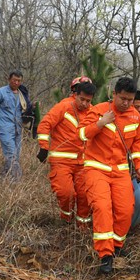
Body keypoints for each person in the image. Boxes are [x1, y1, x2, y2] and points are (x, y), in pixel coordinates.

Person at [78, 77, 140, 274]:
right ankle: (105, 255)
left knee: (125, 211)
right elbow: (82, 134)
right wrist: (101, 123)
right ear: (114, 94)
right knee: (101, 207)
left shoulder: (135, 117)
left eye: (130, 100)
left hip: (120, 170)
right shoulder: (98, 110)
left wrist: (139, 165)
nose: (126, 103)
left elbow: (136, 145)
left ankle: (116, 247)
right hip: (96, 168)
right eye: (123, 98)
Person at [36, 80, 96, 229]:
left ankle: (82, 229)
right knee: (65, 193)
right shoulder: (63, 106)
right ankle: (66, 221)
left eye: (88, 101)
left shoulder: (93, 111)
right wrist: (44, 147)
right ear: (75, 94)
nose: (84, 103)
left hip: (84, 163)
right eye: (82, 99)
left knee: (84, 196)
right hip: (61, 160)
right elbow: (45, 124)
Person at [0, 70, 33, 181]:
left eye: (19, 81)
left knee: (15, 154)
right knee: (11, 153)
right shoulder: (0, 92)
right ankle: (15, 180)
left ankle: (5, 175)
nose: (16, 83)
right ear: (9, 79)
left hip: (18, 128)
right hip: (5, 128)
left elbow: (25, 110)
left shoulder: (22, 94)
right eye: (14, 80)